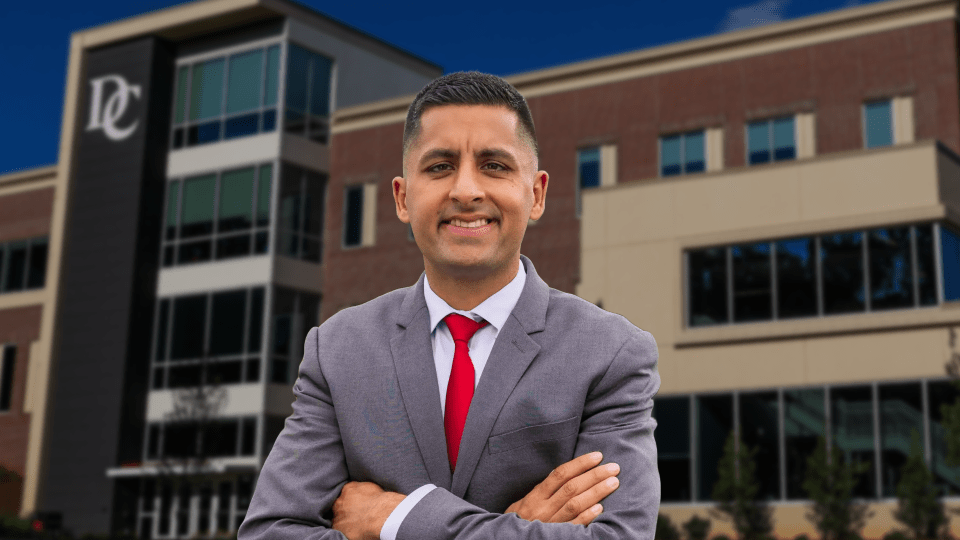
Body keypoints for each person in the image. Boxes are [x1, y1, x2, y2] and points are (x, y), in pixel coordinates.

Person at [238, 71, 660, 540]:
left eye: (494, 165)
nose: (465, 190)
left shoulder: (612, 352)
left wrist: (396, 521)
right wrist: (516, 528)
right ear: (402, 197)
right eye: (439, 166)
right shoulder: (337, 350)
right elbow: (269, 533)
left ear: (537, 194)